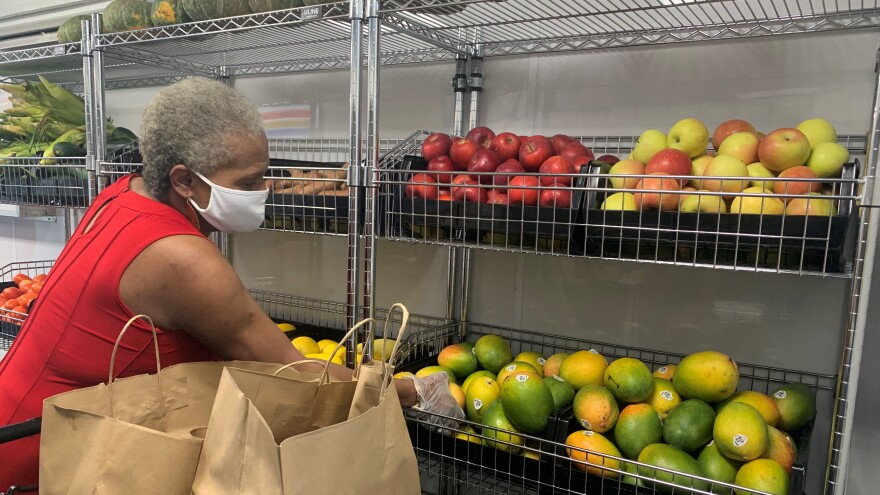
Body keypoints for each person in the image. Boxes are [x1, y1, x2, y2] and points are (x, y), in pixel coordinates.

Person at [0, 77, 462, 487]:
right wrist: (414, 392)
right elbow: (299, 373)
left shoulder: (121, 193)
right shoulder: (181, 260)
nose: (261, 192)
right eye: (246, 183)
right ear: (184, 180)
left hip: (31, 414)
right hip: (47, 453)